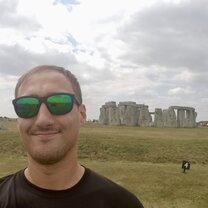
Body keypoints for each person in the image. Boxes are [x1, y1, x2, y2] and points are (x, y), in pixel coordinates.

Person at [0, 65, 144, 208]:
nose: (43, 120)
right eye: (26, 106)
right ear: (18, 120)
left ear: (82, 114)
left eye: (59, 103)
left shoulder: (122, 203)